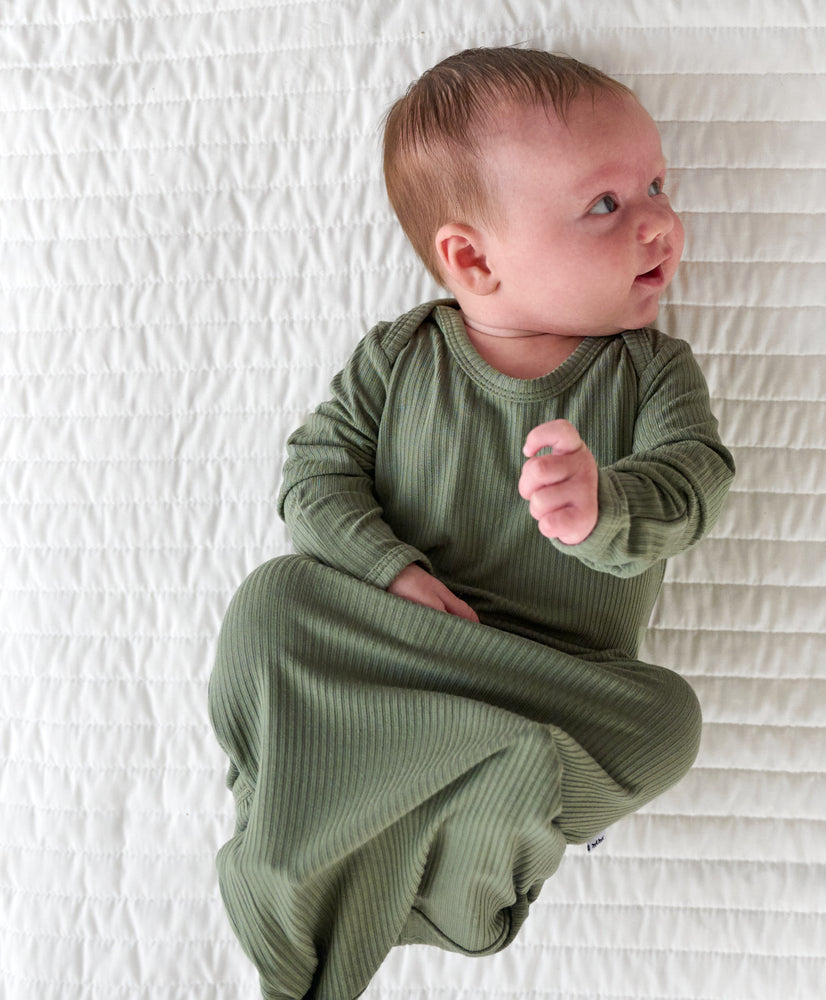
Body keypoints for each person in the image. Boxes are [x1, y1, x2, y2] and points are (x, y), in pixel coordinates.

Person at [209, 46, 735, 1000]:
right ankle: (306, 814)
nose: (660, 219)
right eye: (606, 204)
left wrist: (605, 506)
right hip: (402, 643)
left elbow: (696, 483)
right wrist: (390, 571)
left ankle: (466, 847)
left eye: (656, 184)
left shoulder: (651, 371)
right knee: (272, 600)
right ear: (472, 257)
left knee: (668, 722)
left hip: (544, 679)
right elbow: (314, 477)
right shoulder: (402, 357)